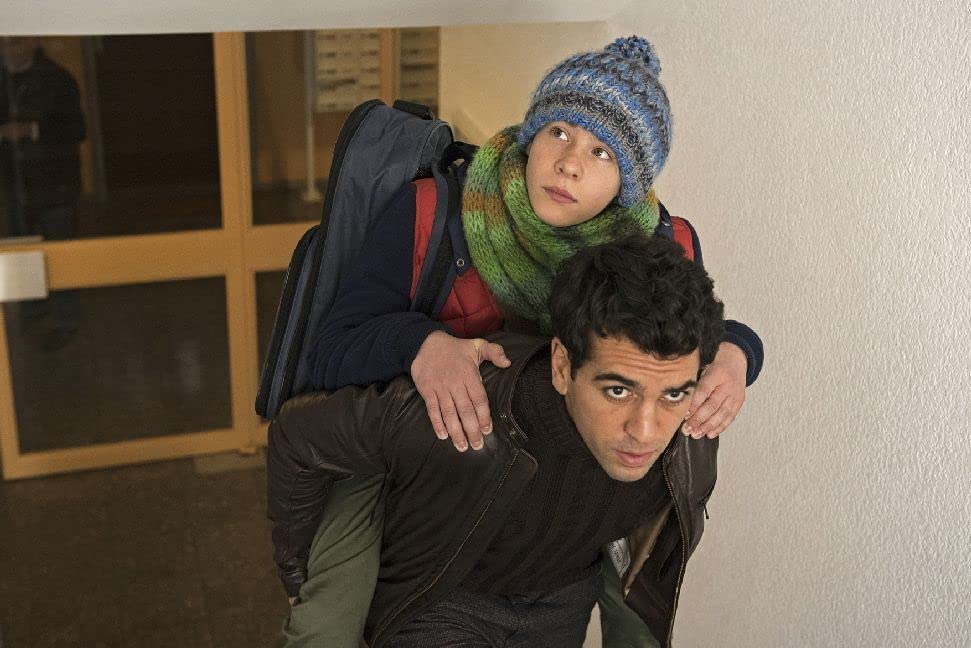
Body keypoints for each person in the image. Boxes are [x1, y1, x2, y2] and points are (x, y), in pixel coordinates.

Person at [283, 35, 763, 646]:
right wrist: (421, 344)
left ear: (631, 181)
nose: (569, 165)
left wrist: (738, 351)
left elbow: (686, 330)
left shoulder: (661, 242)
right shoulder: (436, 213)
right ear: (531, 134)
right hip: (428, 501)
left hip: (558, 539)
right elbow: (329, 353)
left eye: (602, 152)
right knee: (324, 625)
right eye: (559, 132)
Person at [269, 235, 728, 647]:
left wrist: (744, 352)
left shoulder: (690, 437)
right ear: (562, 366)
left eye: (673, 394)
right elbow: (299, 435)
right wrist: (298, 573)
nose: (646, 431)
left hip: (562, 602)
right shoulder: (466, 411)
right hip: (444, 600)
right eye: (618, 391)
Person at [0, 36, 86, 350]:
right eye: (4, 44)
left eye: (16, 44)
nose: (9, 51)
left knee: (59, 253)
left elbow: (77, 129)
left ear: (34, 43)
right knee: (23, 250)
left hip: (55, 183)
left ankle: (66, 319)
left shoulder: (58, 79)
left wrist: (29, 131)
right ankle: (33, 311)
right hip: (15, 184)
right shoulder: (3, 79)